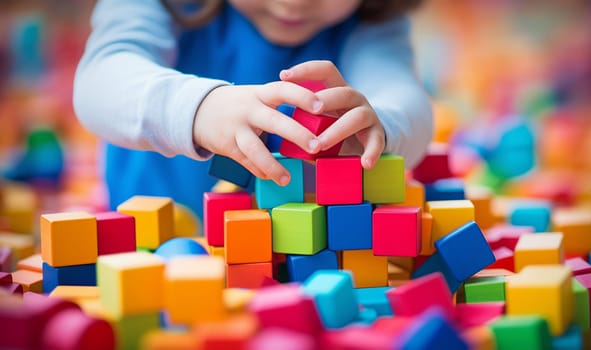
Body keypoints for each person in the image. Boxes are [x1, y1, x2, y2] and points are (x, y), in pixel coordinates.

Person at [73, 0, 433, 218]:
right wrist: (201, 109)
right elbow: (100, 82)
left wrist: (380, 125)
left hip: (295, 267)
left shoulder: (370, 21)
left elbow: (404, 96)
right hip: (143, 245)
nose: (294, 4)